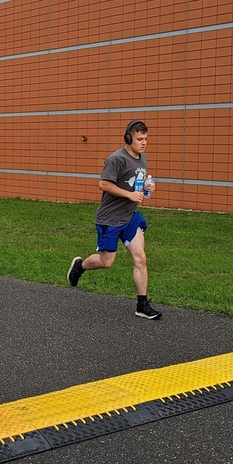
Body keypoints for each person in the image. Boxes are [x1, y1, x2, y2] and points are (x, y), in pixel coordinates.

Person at [67, 120, 162, 320]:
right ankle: (79, 266)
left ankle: (142, 304)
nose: (143, 143)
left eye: (145, 139)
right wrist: (128, 195)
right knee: (106, 262)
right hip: (110, 219)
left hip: (129, 218)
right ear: (128, 138)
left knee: (140, 258)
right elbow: (104, 184)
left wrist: (148, 186)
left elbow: (135, 180)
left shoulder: (141, 158)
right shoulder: (116, 159)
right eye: (139, 139)